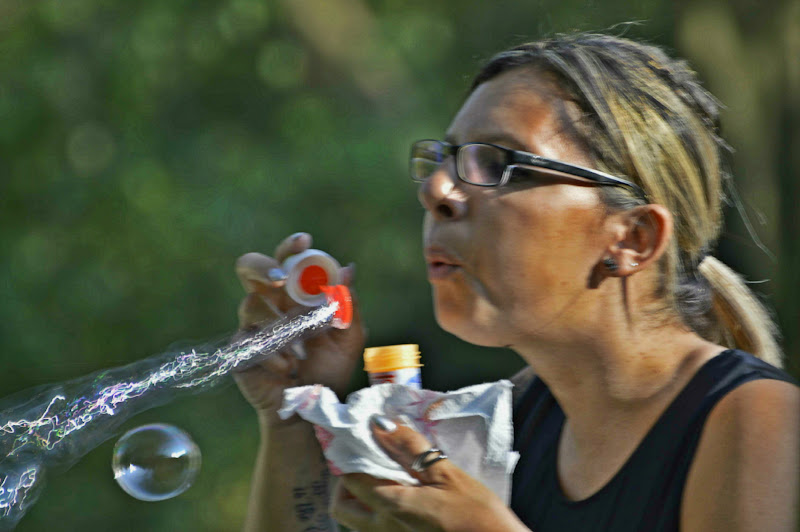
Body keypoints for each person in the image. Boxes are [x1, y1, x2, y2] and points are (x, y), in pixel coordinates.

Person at [232, 33, 799, 531]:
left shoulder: (755, 420)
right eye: (446, 159)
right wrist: (294, 411)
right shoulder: (509, 425)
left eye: (499, 163)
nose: (437, 191)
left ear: (632, 238)